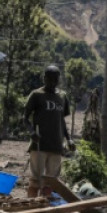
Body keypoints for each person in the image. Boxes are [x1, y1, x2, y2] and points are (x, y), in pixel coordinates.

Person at [23, 64, 75, 198]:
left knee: (51, 182)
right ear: (44, 78)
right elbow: (25, 118)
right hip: (39, 144)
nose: (52, 82)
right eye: (50, 79)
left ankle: (46, 210)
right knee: (36, 180)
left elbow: (61, 121)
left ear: (59, 80)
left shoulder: (62, 96)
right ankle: (30, 208)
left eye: (55, 80)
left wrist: (68, 139)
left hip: (56, 145)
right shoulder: (36, 95)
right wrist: (32, 132)